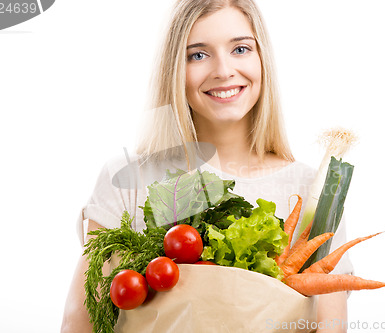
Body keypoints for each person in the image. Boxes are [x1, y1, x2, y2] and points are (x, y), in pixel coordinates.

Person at [61, 0, 352, 332]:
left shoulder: (313, 189)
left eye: (240, 49)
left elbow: (328, 326)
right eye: (197, 55)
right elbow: (79, 325)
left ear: (262, 59)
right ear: (174, 68)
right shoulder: (128, 178)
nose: (223, 70)